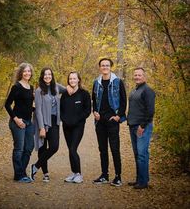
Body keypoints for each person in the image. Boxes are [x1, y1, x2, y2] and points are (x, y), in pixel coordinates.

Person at [92, 58, 127, 186]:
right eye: (102, 65)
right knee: (102, 149)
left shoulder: (118, 82)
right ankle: (104, 175)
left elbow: (124, 101)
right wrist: (95, 112)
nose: (105, 67)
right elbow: (94, 100)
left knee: (114, 149)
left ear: (110, 67)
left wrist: (119, 116)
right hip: (100, 121)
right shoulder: (96, 82)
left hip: (113, 121)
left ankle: (118, 176)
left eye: (107, 65)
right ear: (100, 67)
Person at [31, 67, 66, 182]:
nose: (47, 76)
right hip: (43, 121)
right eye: (45, 74)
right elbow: (38, 110)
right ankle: (45, 173)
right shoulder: (38, 90)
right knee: (43, 146)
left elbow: (69, 90)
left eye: (49, 74)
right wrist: (41, 127)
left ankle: (35, 166)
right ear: (42, 76)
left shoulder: (56, 87)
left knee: (54, 146)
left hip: (55, 121)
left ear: (52, 75)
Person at [5, 62, 35, 183]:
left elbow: (28, 106)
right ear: (21, 73)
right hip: (18, 122)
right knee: (19, 148)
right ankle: (18, 175)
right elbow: (7, 105)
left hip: (28, 122)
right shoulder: (16, 87)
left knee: (29, 147)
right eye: (25, 71)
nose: (27, 73)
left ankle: (22, 172)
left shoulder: (31, 87)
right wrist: (16, 119)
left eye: (29, 71)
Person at [60, 71, 91, 184]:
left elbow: (87, 111)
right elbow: (61, 110)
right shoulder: (64, 94)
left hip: (78, 127)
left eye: (74, 78)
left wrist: (77, 120)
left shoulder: (84, 94)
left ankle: (78, 174)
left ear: (79, 80)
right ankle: (73, 173)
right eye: (70, 79)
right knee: (71, 150)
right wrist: (64, 119)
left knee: (73, 149)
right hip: (66, 127)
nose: (72, 80)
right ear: (68, 81)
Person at [127, 67, 155, 189]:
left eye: (139, 75)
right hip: (133, 125)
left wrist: (142, 126)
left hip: (142, 127)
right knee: (137, 154)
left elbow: (150, 111)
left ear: (144, 77)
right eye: (135, 75)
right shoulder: (135, 90)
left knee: (142, 154)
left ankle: (143, 182)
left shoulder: (148, 91)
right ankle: (140, 179)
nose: (137, 77)